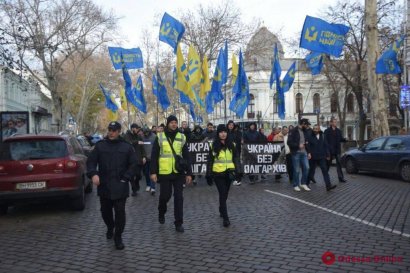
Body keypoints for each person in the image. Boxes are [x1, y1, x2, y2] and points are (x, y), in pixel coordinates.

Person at [86, 121, 138, 250]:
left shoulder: (126, 147)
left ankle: (118, 236)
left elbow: (134, 164)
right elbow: (91, 162)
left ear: (119, 131)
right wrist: (93, 174)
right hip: (104, 185)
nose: (111, 132)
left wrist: (126, 178)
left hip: (121, 185)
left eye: (114, 130)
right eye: (109, 129)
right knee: (105, 212)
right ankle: (110, 226)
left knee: (120, 212)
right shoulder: (100, 146)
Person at [150, 115, 192, 233]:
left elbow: (187, 156)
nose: (174, 124)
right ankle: (161, 211)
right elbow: (154, 156)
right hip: (164, 172)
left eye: (175, 122)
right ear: (167, 123)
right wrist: (153, 172)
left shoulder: (181, 136)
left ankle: (178, 223)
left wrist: (189, 173)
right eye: (172, 122)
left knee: (179, 198)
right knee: (165, 196)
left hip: (178, 172)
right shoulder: (160, 137)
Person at [206, 124, 241, 227]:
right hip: (218, 173)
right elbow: (210, 161)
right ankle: (226, 218)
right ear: (218, 133)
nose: (223, 134)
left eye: (225, 132)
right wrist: (208, 175)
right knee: (222, 193)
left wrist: (239, 172)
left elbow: (236, 159)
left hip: (229, 173)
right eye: (221, 132)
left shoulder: (232, 144)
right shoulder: (213, 145)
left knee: (225, 194)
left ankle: (221, 209)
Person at [307, 124, 337, 191]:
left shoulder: (323, 136)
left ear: (319, 129)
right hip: (313, 157)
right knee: (311, 171)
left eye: (316, 129)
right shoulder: (310, 136)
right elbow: (308, 146)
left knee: (325, 171)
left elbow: (326, 146)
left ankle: (328, 186)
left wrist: (328, 155)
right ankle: (306, 183)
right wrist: (308, 153)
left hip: (321, 156)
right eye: (314, 129)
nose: (315, 130)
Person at [287, 119, 311, 192]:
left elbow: (307, 142)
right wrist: (298, 145)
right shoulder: (293, 131)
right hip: (296, 152)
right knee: (296, 170)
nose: (307, 126)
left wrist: (309, 152)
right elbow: (289, 142)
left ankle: (303, 183)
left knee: (307, 168)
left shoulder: (305, 131)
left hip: (304, 152)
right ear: (303, 123)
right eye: (306, 124)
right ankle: (296, 185)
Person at [123, 123, 146, 196]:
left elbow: (142, 147)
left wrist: (144, 156)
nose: (137, 130)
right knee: (131, 176)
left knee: (139, 175)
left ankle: (137, 184)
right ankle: (134, 189)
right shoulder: (127, 135)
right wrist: (137, 142)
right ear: (132, 128)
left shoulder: (139, 136)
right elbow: (128, 143)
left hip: (139, 159)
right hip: (130, 159)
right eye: (136, 128)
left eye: (137, 129)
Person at [324, 117, 347, 183]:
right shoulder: (327, 131)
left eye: (336, 122)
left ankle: (341, 178)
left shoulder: (338, 131)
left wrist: (345, 139)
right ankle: (326, 176)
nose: (335, 123)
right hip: (330, 150)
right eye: (334, 122)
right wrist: (327, 150)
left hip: (337, 150)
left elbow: (340, 139)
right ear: (331, 123)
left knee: (339, 164)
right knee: (328, 164)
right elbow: (325, 141)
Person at [142, 127, 157, 195]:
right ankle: (148, 185)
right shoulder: (142, 137)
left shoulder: (154, 137)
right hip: (145, 158)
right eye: (145, 133)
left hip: (152, 158)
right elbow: (141, 148)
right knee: (146, 173)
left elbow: (156, 147)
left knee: (152, 173)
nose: (146, 134)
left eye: (147, 132)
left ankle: (153, 187)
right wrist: (143, 157)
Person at [227, 120, 242, 186]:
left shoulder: (236, 133)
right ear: (228, 125)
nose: (231, 126)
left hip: (235, 152)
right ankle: (229, 178)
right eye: (230, 125)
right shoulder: (225, 133)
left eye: (232, 125)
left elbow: (239, 142)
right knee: (228, 166)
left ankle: (238, 179)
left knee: (237, 165)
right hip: (227, 152)